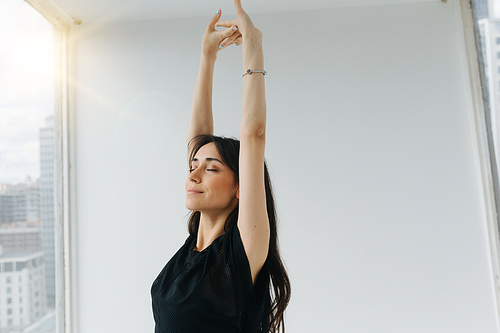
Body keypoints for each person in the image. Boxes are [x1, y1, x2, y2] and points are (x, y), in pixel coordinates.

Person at [151, 1, 290, 332]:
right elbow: (198, 138)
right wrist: (207, 57)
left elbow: (253, 136)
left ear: (240, 187)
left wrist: (253, 48)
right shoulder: (191, 252)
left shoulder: (241, 253)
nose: (193, 173)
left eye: (211, 169)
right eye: (193, 165)